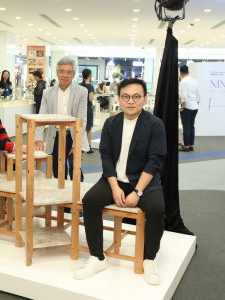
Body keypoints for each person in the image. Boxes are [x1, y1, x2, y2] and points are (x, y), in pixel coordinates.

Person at [74, 78, 167, 285]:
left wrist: (138, 192)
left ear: (144, 99)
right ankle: (97, 257)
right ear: (119, 98)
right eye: (125, 96)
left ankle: (148, 258)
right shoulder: (111, 123)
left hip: (144, 182)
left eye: (136, 96)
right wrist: (115, 187)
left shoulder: (155, 124)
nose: (130, 101)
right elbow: (106, 157)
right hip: (114, 179)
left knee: (157, 210)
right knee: (89, 201)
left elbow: (155, 161)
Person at [35, 56, 89, 181]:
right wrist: (38, 139)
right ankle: (60, 196)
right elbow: (41, 117)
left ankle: (77, 196)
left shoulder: (82, 91)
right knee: (58, 170)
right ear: (57, 72)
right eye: (61, 71)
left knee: (76, 169)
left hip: (73, 135)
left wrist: (77, 144)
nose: (65, 75)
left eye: (69, 72)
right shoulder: (47, 93)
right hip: (55, 136)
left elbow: (82, 119)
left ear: (74, 74)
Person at [179, 65, 200, 152]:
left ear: (181, 73)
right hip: (195, 107)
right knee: (191, 126)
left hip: (187, 107)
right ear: (188, 72)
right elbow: (199, 95)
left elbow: (183, 96)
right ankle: (191, 145)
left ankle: (186, 146)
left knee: (186, 127)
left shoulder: (183, 82)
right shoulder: (195, 81)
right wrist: (196, 104)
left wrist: (183, 107)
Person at [80, 68, 95, 154]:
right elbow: (90, 99)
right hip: (88, 109)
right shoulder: (90, 86)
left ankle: (80, 145)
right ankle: (88, 147)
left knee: (80, 127)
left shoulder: (79, 85)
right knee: (88, 128)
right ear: (89, 75)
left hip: (80, 109)